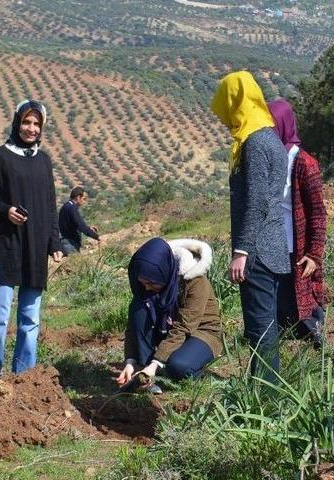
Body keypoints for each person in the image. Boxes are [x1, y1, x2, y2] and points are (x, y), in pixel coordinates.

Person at [210, 71, 293, 381]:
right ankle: (268, 390)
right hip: (273, 246)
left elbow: (257, 202)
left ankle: (265, 396)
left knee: (260, 328)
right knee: (266, 325)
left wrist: (241, 251)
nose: (222, 117)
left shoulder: (254, 143)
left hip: (258, 251)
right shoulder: (270, 138)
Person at [0, 99, 63, 377]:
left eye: (36, 124)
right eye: (26, 122)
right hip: (7, 245)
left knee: (30, 319)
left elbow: (50, 205)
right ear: (16, 122)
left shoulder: (44, 160)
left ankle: (25, 380)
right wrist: (5, 210)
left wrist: (55, 242)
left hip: (35, 248)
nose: (31, 128)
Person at [116, 238, 223, 393]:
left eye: (152, 283)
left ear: (163, 273)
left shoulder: (194, 281)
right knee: (139, 309)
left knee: (178, 367)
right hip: (168, 328)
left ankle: (179, 367)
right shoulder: (147, 286)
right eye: (143, 283)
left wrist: (156, 363)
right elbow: (134, 325)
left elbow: (184, 326)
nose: (147, 287)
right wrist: (130, 362)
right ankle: (144, 373)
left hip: (201, 331)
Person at [267, 99, 327, 346]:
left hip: (297, 245)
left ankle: (316, 339)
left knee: (303, 295)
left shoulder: (304, 163)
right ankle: (287, 342)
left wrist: (314, 254)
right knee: (281, 298)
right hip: (275, 243)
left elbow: (318, 213)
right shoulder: (269, 159)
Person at [58, 186, 101, 255]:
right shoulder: (72, 208)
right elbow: (81, 226)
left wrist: (88, 228)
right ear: (78, 197)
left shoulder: (66, 206)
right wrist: (97, 236)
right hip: (70, 244)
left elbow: (74, 225)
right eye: (83, 199)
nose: (84, 201)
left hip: (65, 242)